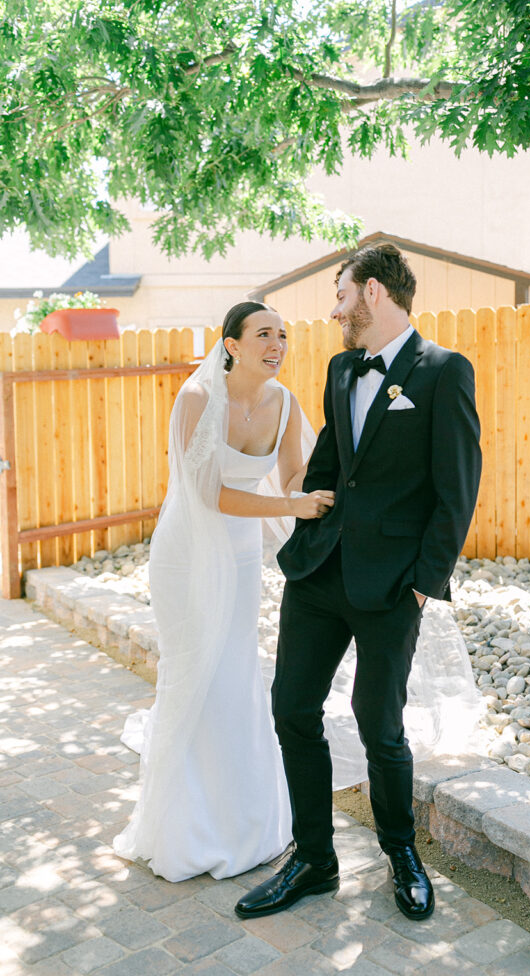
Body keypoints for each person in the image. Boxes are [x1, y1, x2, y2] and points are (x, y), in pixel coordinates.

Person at [235, 243, 482, 922]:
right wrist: (303, 525)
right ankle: (314, 861)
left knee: (381, 728)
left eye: (341, 294)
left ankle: (401, 853)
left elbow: (456, 491)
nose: (334, 308)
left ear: (373, 292)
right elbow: (326, 466)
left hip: (390, 588)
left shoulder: (442, 372)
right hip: (318, 577)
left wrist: (422, 584)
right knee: (291, 710)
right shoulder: (341, 369)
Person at [113, 301, 334, 881]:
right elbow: (208, 492)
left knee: (236, 670)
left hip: (239, 553)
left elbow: (291, 477)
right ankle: (186, 826)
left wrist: (322, 487)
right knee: (194, 670)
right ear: (231, 345)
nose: (278, 344)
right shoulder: (196, 400)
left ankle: (245, 818)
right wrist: (290, 505)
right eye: (264, 334)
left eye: (284, 335)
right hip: (186, 551)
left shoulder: (285, 403)